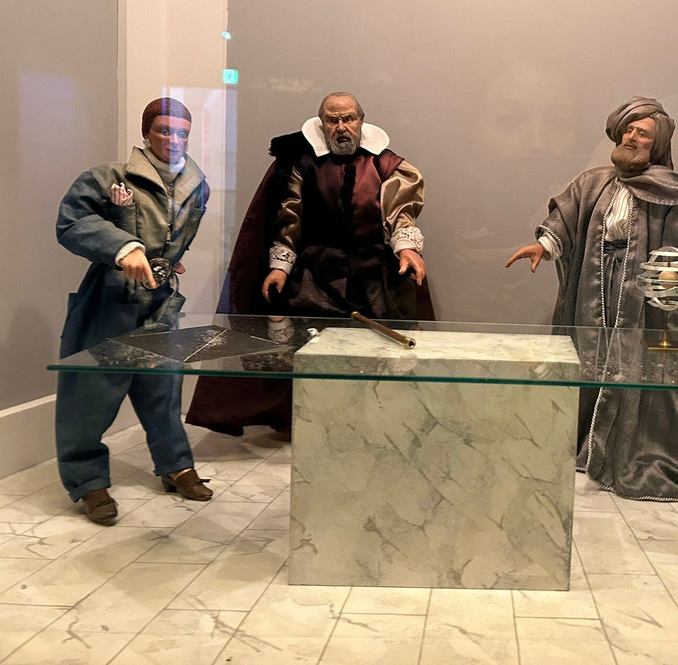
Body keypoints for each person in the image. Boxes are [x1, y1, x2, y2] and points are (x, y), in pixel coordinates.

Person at [506, 96, 678, 501]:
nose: (631, 137)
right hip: (594, 287)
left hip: (646, 298)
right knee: (591, 358)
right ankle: (588, 444)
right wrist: (543, 246)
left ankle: (640, 450)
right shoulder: (592, 182)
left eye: (643, 133)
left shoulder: (674, 188)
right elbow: (565, 222)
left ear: (657, 145)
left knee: (642, 366)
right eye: (628, 129)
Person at [185, 91, 432, 436]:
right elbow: (290, 217)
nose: (342, 127)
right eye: (333, 120)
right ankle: (314, 423)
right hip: (318, 277)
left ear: (361, 121)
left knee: (376, 353)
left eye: (348, 119)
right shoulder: (303, 165)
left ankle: (374, 424)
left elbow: (400, 212)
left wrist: (406, 249)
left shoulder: (387, 165)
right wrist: (279, 267)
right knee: (311, 353)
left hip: (374, 277)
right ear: (322, 124)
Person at [55, 97, 213, 524]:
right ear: (147, 132)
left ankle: (175, 464)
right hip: (109, 299)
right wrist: (123, 247)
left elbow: (182, 230)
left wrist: (169, 258)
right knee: (90, 392)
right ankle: (88, 481)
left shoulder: (197, 183)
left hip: (160, 302)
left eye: (182, 133)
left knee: (164, 388)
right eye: (164, 130)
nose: (174, 140)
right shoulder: (110, 177)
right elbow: (71, 222)